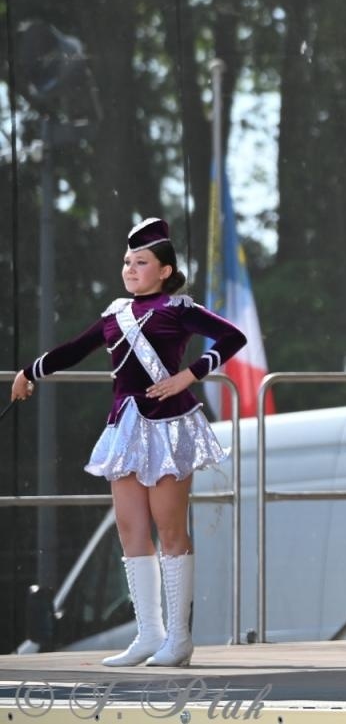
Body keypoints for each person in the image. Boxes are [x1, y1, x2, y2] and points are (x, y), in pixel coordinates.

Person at [12, 218, 242, 667]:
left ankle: (179, 637)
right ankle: (149, 634)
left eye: (141, 263)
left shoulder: (179, 308)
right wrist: (29, 372)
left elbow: (234, 337)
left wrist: (188, 376)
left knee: (170, 528)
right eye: (126, 262)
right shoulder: (115, 314)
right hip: (125, 428)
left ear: (164, 270)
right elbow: (74, 349)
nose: (131, 270)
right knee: (130, 528)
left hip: (169, 425)